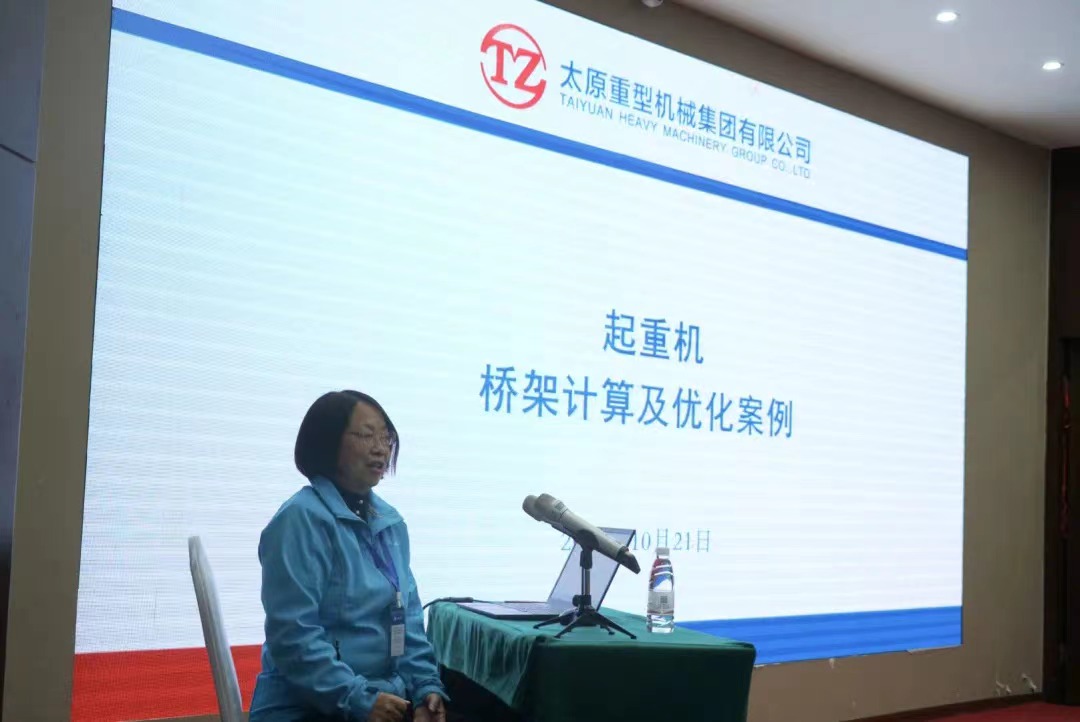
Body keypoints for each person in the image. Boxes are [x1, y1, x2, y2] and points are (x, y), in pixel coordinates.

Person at [249, 390, 449, 722]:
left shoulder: (391, 524)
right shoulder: (300, 518)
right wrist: (358, 699)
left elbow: (409, 621)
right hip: (307, 707)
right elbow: (293, 637)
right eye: (366, 435)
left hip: (380, 700)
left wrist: (425, 688)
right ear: (328, 443)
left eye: (386, 438)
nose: (380, 449)